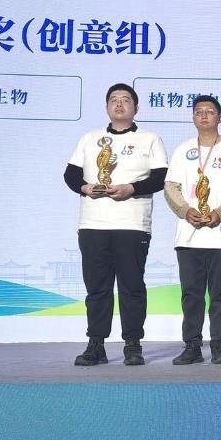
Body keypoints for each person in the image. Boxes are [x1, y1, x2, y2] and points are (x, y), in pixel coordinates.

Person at [63, 83, 167, 366]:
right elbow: (71, 174)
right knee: (97, 288)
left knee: (132, 286)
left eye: (126, 100)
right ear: (106, 107)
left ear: (136, 107)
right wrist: (85, 187)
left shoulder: (150, 139)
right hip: (93, 224)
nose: (119, 104)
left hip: (132, 224)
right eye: (113, 100)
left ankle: (133, 345)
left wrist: (132, 188)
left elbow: (160, 178)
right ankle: (96, 344)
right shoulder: (90, 138)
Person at [164, 96, 221, 366]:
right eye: (198, 112)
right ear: (193, 117)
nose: (203, 115)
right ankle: (192, 346)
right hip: (189, 236)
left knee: (220, 295)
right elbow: (170, 187)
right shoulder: (183, 150)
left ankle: (218, 347)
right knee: (191, 295)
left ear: (219, 117)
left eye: (210, 111)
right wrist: (185, 210)